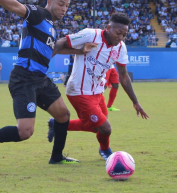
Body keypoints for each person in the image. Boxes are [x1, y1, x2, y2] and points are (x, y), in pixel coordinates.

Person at [0, 0, 94, 165]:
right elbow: (17, 7)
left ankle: (56, 157)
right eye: (61, 4)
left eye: (67, 6)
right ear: (50, 2)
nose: (64, 8)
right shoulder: (38, 15)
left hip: (40, 78)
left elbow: (55, 49)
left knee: (63, 115)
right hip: (24, 78)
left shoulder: (50, 27)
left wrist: (80, 51)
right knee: (24, 132)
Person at [47, 12, 149, 161]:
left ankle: (57, 125)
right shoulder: (90, 35)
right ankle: (105, 150)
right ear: (108, 27)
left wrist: (135, 102)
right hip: (79, 91)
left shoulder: (120, 48)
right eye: (118, 33)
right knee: (105, 128)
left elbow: (124, 76)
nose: (120, 37)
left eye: (124, 35)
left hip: (97, 91)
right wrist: (43, 62)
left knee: (97, 127)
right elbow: (61, 43)